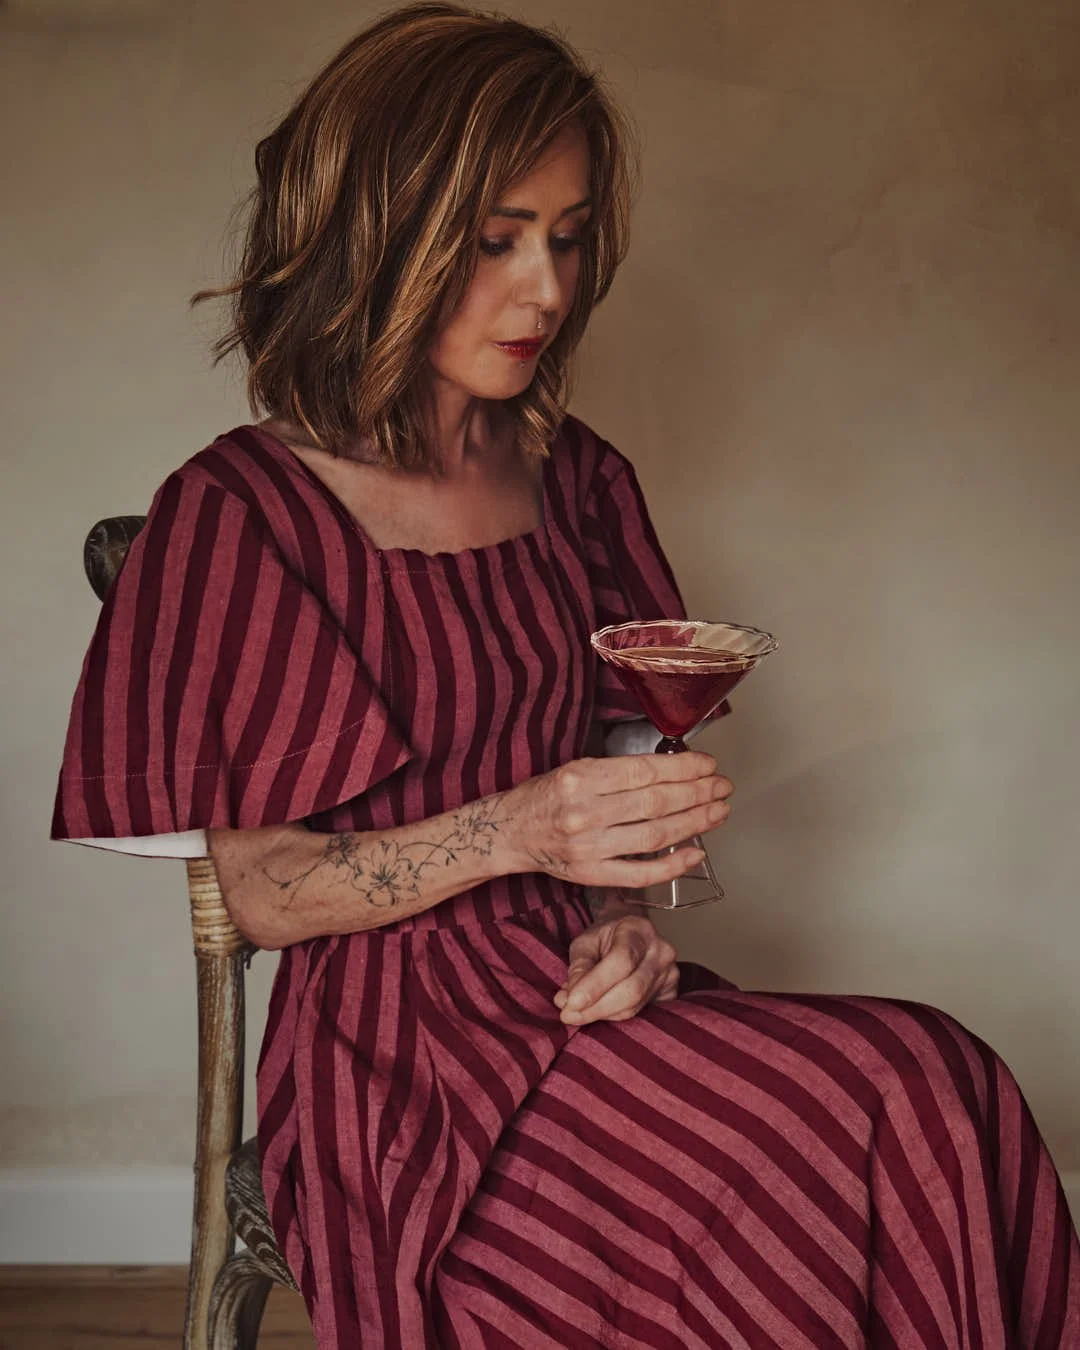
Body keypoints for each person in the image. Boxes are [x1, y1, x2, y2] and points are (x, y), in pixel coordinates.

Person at [53, 5, 1079, 1346]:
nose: (544, 287)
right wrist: (521, 825)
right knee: (781, 1182)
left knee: (934, 1082)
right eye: (494, 240)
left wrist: (636, 927)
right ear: (385, 231)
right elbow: (269, 891)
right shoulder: (246, 511)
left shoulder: (579, 480)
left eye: (568, 234)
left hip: (575, 998)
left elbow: (620, 804)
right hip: (394, 1067)